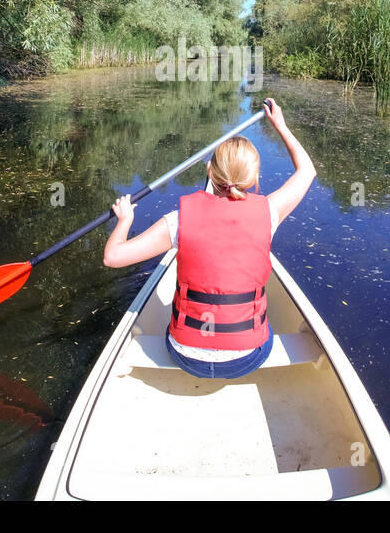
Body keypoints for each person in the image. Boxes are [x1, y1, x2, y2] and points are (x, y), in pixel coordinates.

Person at [102, 98, 316, 379]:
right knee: (264, 326)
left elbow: (112, 257)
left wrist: (125, 220)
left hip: (185, 355)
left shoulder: (179, 220)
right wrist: (281, 125)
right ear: (255, 179)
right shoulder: (269, 212)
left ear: (209, 172)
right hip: (247, 357)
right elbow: (307, 171)